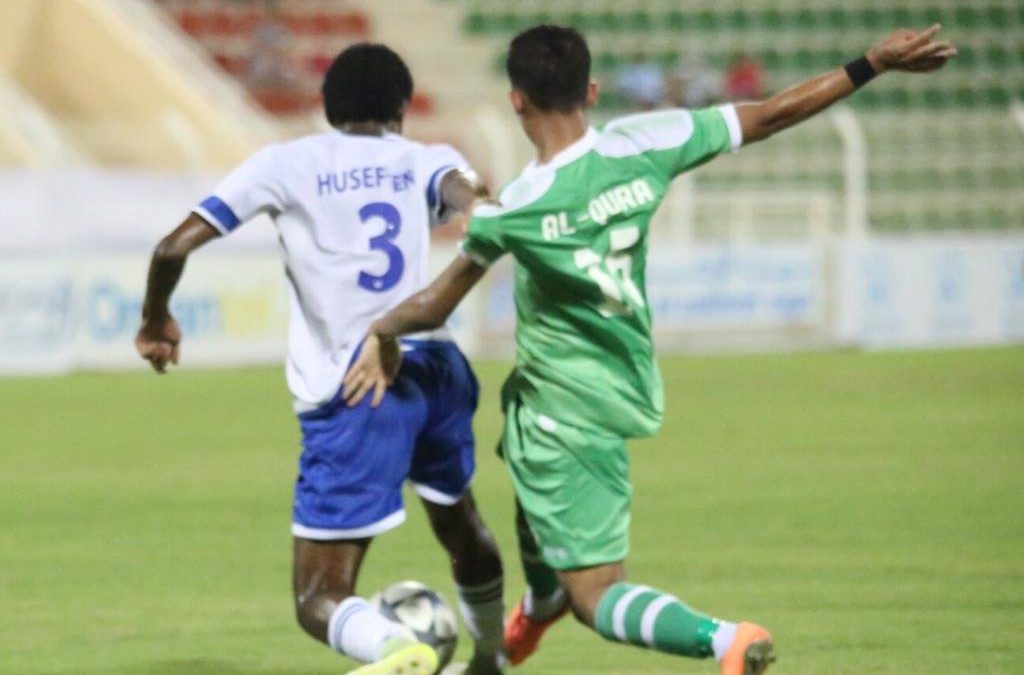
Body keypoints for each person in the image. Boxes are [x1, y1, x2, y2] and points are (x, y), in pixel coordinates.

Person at [342, 24, 956, 675]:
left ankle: (724, 638)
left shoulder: (515, 207)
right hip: (619, 377)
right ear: (591, 90)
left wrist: (379, 330)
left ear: (516, 100)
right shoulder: (647, 141)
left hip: (565, 411)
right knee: (527, 481)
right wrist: (871, 63)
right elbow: (772, 113)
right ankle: (542, 601)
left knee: (597, 595)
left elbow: (435, 304)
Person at [134, 43, 507, 675]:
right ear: (401, 107)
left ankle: (398, 650)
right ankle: (491, 657)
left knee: (317, 597)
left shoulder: (287, 162)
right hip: (436, 370)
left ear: (328, 107)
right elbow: (468, 192)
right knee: (459, 519)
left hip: (360, 382)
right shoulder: (425, 158)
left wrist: (155, 319)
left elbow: (172, 248)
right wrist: (476, 201)